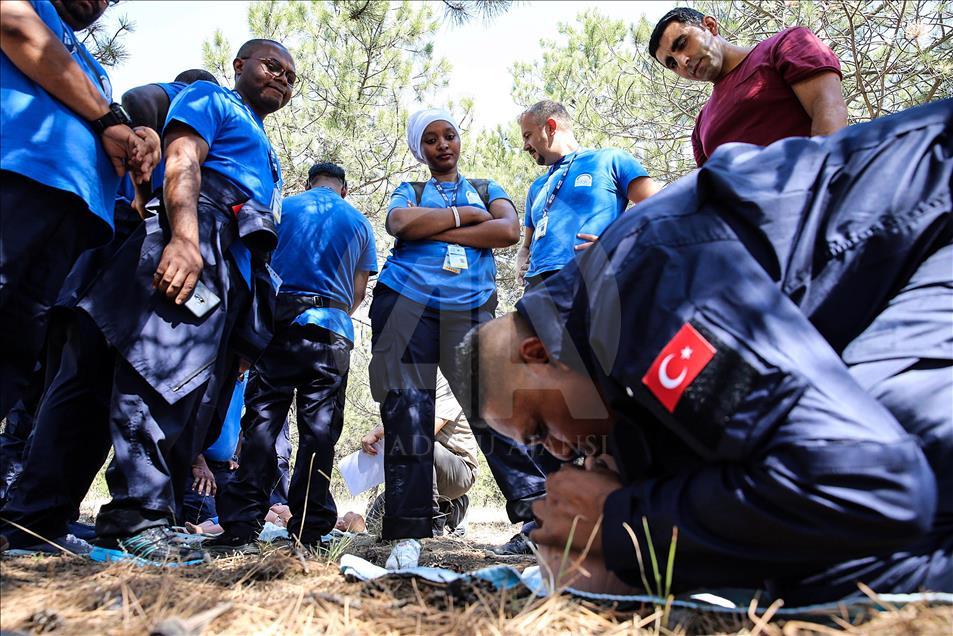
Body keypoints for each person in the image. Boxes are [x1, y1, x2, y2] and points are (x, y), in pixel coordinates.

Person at [455, 99, 952, 603]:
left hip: (939, 208)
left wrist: (619, 523)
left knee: (882, 474)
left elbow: (863, 478)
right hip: (900, 272)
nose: (557, 453)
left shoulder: (642, 294)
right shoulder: (603, 350)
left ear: (539, 354)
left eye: (540, 429)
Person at [1, 39, 295, 564]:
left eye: (292, 77)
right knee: (159, 375)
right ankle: (136, 519)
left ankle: (33, 521)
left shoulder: (262, 140)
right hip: (196, 237)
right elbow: (182, 158)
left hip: (223, 254)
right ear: (240, 65)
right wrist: (184, 238)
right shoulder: (213, 99)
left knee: (89, 379)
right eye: (273, 65)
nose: (282, 78)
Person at [370, 107, 532, 569]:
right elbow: (400, 224)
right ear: (419, 150)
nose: (442, 145)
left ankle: (538, 519)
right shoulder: (411, 190)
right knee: (407, 413)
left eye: (450, 136)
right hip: (405, 305)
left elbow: (506, 229)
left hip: (470, 308)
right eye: (431, 140)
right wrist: (463, 217)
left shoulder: (487, 187)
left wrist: (437, 224)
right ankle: (408, 531)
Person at [0, 0, 158, 420]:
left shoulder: (96, 74)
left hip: (74, 222)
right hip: (14, 178)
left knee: (13, 351)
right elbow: (16, 28)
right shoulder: (33, 9)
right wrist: (110, 120)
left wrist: (143, 151)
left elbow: (137, 199)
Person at [210, 161, 377, 554]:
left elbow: (259, 267)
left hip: (277, 326)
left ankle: (241, 524)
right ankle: (309, 528)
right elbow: (357, 293)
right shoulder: (359, 224)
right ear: (344, 189)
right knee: (319, 434)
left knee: (262, 426)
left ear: (309, 183)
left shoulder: (284, 207)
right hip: (331, 332)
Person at [649, 7, 848, 166]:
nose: (683, 62)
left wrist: (825, 185)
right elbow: (714, 191)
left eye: (682, 43)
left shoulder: (783, 46)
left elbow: (829, 110)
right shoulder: (700, 127)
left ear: (710, 26)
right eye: (672, 63)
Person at [516, 100, 658, 287]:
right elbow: (526, 245)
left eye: (528, 136)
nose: (525, 146)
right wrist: (521, 259)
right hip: (537, 288)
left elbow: (661, 208)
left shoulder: (610, 159)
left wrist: (620, 245)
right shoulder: (536, 187)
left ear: (551, 127)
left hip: (591, 279)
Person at [361, 371, 479, 539]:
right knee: (375, 521)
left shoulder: (446, 383)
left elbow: (425, 431)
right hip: (425, 472)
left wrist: (380, 431)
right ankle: (451, 506)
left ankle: (432, 520)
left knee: (416, 442)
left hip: (460, 470)